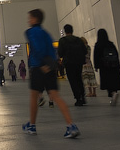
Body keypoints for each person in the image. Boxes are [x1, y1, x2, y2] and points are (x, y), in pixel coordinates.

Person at [22, 9, 79, 138]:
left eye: (30, 18)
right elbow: (52, 50)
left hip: (38, 67)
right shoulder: (46, 33)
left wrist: (42, 64)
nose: (28, 20)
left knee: (33, 96)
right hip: (50, 67)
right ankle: (71, 125)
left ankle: (32, 125)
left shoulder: (31, 32)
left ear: (35, 19)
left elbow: (37, 48)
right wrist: (51, 64)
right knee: (55, 95)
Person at [58, 24, 89, 107]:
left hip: (69, 63)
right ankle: (82, 95)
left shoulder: (62, 40)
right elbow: (85, 51)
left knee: (72, 81)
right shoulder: (78, 40)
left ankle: (78, 98)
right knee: (79, 78)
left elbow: (60, 53)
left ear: (65, 31)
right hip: (78, 62)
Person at [93, 29, 120, 106]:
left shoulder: (98, 44)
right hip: (114, 66)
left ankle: (113, 94)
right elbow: (116, 55)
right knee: (114, 80)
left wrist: (96, 66)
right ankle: (114, 92)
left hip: (104, 67)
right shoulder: (111, 44)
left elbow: (96, 56)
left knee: (108, 82)